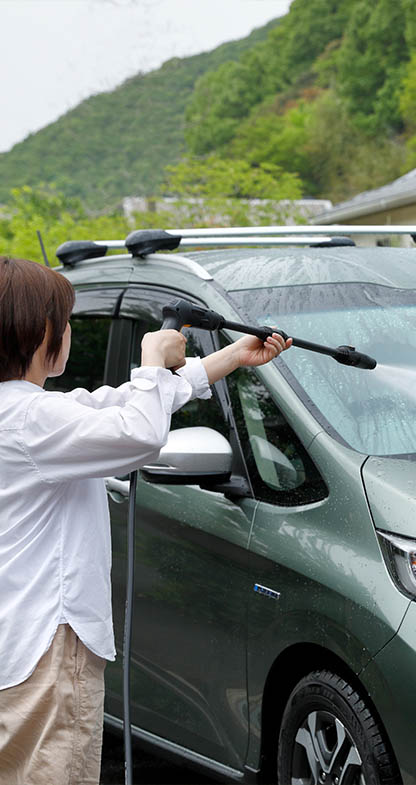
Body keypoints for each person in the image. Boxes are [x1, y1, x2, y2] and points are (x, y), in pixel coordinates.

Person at [0, 255, 291, 785]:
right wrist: (153, 355)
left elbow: (108, 408)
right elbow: (136, 434)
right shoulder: (29, 418)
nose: (67, 331)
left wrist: (223, 360)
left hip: (16, 639)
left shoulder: (20, 412)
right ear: (42, 333)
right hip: (46, 645)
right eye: (63, 321)